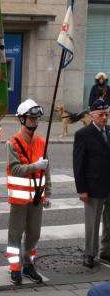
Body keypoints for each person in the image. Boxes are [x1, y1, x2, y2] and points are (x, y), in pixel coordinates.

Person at [5, 99, 51, 285]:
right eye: (31, 118)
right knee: (15, 235)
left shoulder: (41, 142)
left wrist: (47, 193)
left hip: (37, 198)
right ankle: (14, 268)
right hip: (19, 199)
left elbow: (47, 170)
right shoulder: (13, 142)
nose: (35, 121)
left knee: (34, 234)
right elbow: (15, 169)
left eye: (37, 118)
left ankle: (28, 264)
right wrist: (34, 166)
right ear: (22, 120)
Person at [73, 99, 110, 269]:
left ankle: (106, 251)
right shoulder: (83, 134)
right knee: (92, 223)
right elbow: (78, 164)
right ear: (92, 116)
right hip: (93, 187)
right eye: (101, 115)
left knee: (109, 221)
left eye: (107, 114)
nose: (104, 118)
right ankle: (89, 254)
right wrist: (82, 189)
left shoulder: (109, 131)